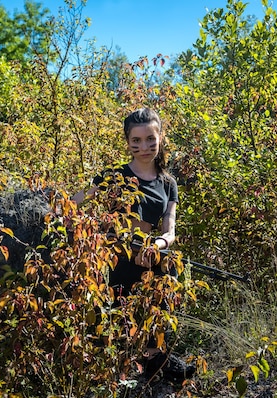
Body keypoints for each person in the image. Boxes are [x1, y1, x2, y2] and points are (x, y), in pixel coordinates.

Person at [72, 107, 195, 381]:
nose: (144, 147)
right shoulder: (113, 175)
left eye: (150, 139)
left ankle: (155, 365)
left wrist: (157, 246)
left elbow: (170, 230)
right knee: (118, 319)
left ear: (160, 137)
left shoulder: (168, 182)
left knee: (158, 314)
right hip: (120, 259)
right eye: (136, 141)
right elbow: (76, 201)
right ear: (127, 141)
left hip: (152, 256)